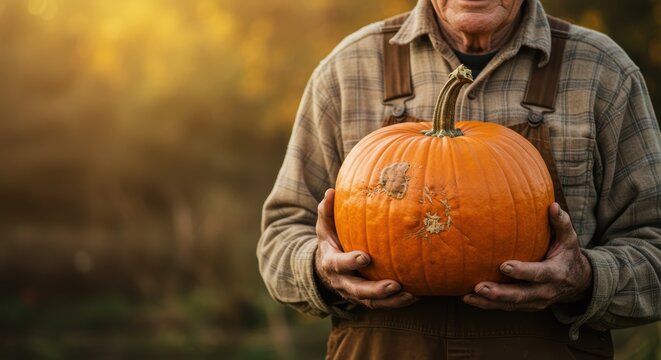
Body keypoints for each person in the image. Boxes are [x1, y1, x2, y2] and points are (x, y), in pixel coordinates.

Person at [258, 0, 661, 358]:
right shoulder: (348, 69)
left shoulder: (602, 72)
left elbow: (653, 242)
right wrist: (321, 268)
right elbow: (280, 236)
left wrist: (584, 279)